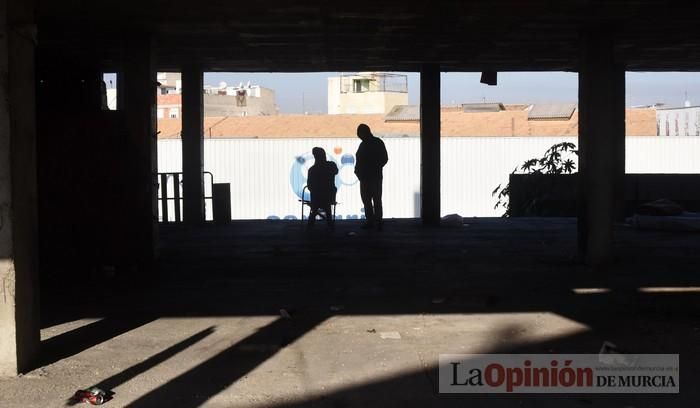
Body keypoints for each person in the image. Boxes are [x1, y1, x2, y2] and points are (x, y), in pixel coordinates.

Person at [354, 124, 388, 230]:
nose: (359, 136)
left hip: (367, 177)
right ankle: (377, 222)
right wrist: (376, 167)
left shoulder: (364, 145)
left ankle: (372, 222)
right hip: (373, 176)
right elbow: (384, 158)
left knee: (368, 200)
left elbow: (360, 160)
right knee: (375, 200)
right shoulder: (377, 143)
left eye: (359, 134)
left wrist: (361, 171)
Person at [307, 147, 338, 228]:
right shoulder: (331, 165)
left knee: (315, 206)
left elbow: (309, 186)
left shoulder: (312, 170)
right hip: (329, 197)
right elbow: (336, 171)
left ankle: (310, 224)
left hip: (316, 199)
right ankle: (329, 223)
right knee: (327, 205)